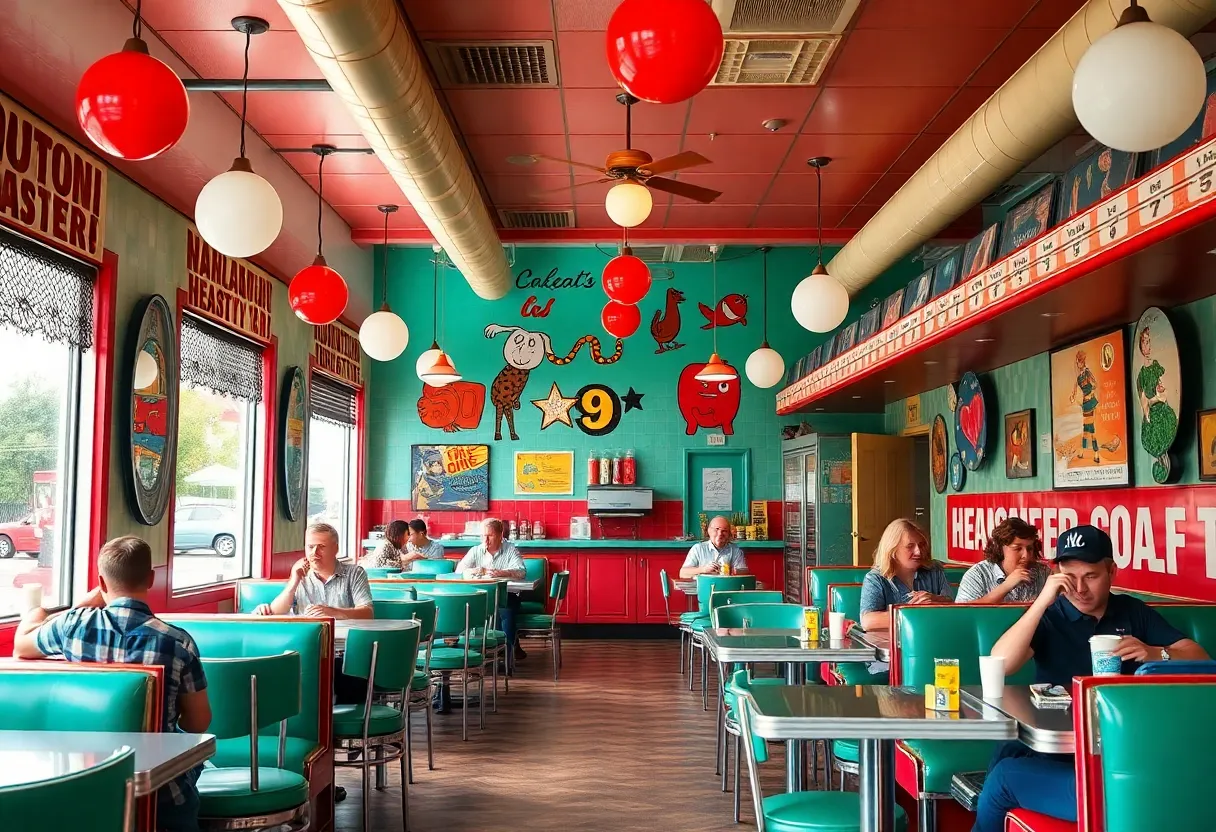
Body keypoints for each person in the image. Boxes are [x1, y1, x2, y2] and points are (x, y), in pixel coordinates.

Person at [974, 525, 1207, 832]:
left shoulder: (1132, 612)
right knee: (1007, 758)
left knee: (1003, 778)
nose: (1080, 588)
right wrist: (1041, 602)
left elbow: (1200, 658)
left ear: (1112, 571)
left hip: (1122, 756)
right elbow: (1000, 664)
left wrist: (1156, 653)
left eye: (1091, 576)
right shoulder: (1052, 615)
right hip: (1060, 754)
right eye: (1070, 577)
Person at [13, 536, 212, 832]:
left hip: (83, 785)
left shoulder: (73, 626)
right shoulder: (178, 642)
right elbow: (198, 723)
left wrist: (45, 612)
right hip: (161, 797)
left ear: (101, 583)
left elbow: (21, 646)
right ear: (151, 578)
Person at [254, 522, 373, 620]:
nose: (314, 553)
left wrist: (333, 612)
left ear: (335, 548)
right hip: (305, 637)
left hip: (344, 638)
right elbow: (275, 612)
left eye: (321, 547)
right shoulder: (300, 573)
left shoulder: (354, 573)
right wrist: (294, 581)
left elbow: (368, 613)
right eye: (310, 547)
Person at [859, 518, 953, 632]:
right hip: (891, 640)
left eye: (921, 545)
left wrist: (935, 600)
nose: (918, 551)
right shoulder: (876, 578)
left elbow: (954, 607)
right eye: (910, 546)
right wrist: (914, 612)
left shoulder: (934, 570)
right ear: (892, 550)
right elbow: (868, 621)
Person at [955, 518, 1051, 604]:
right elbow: (963, 614)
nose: (1025, 555)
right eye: (1017, 549)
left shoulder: (1043, 573)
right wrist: (1006, 586)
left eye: (1029, 549)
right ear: (1000, 549)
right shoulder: (978, 574)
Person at [679, 516, 749, 579]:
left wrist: (731, 571)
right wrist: (703, 569)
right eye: (716, 529)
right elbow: (683, 573)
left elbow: (744, 575)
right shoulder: (698, 549)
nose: (720, 534)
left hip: (727, 587)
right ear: (709, 531)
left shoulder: (735, 551)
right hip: (704, 587)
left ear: (729, 534)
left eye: (724, 531)